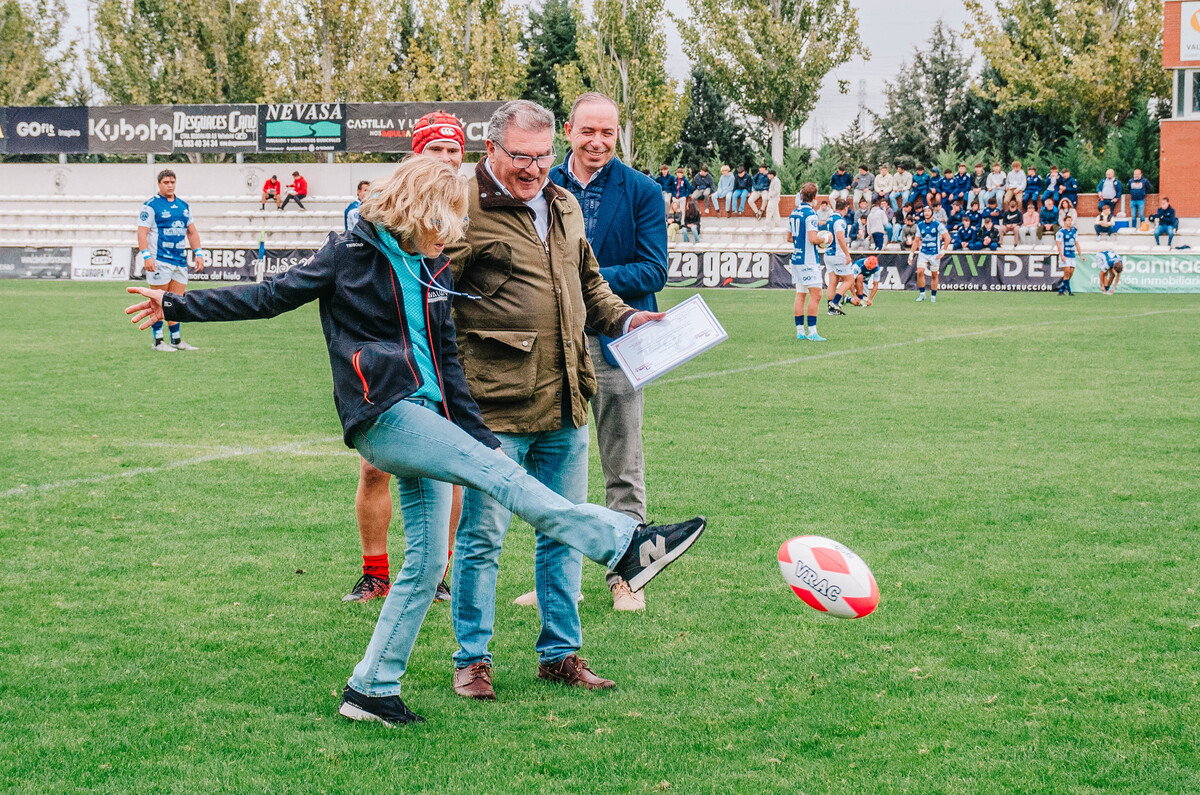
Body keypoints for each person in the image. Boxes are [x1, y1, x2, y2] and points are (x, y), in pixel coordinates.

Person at [125, 155, 707, 727]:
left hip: (431, 417)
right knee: (504, 479)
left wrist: (476, 434)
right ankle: (624, 543)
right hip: (384, 415)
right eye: (445, 222)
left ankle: (371, 689)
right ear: (417, 211)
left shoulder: (432, 267)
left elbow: (448, 362)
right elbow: (269, 297)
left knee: (428, 562)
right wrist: (176, 304)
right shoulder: (349, 252)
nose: (451, 235)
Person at [446, 99, 678, 698]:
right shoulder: (460, 205)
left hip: (567, 397)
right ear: (491, 150)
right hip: (494, 404)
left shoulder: (563, 201)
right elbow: (432, 298)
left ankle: (561, 654)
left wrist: (625, 322)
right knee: (481, 537)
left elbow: (590, 284)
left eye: (543, 156)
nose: (533, 168)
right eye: (521, 157)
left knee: (564, 531)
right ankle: (472, 659)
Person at [549, 93, 670, 613]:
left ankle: (629, 575)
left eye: (608, 133)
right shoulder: (543, 182)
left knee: (622, 460)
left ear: (617, 135)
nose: (597, 142)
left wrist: (582, 279)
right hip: (559, 339)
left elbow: (654, 269)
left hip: (621, 340)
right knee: (558, 465)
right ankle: (559, 579)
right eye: (587, 132)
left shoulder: (642, 190)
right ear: (569, 131)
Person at [344, 110, 469, 605]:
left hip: (449, 354)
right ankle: (375, 572)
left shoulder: (468, 208)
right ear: (415, 154)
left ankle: (440, 570)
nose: (445, 158)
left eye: (452, 151)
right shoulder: (383, 211)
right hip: (391, 361)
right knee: (374, 468)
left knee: (452, 462)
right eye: (434, 150)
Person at [136, 169, 206, 352]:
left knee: (176, 302)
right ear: (159, 184)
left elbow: (192, 231)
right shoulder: (150, 206)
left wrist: (198, 253)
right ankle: (158, 341)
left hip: (179, 261)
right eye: (166, 182)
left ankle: (176, 340)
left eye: (172, 182)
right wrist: (146, 256)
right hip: (160, 261)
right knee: (157, 301)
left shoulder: (183, 206)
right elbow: (142, 233)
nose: (170, 185)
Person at [788, 183, 826, 341]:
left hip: (796, 258)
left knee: (800, 294)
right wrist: (825, 239)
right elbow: (812, 238)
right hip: (808, 261)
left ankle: (800, 331)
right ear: (815, 196)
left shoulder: (794, 212)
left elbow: (789, 238)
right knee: (816, 294)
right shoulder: (811, 214)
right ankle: (812, 332)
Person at [823, 197, 855, 316]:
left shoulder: (829, 218)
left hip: (828, 254)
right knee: (849, 279)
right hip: (838, 254)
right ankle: (835, 302)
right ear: (846, 208)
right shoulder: (839, 220)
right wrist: (847, 254)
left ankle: (831, 309)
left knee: (833, 282)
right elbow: (840, 237)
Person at [911, 204, 950, 304]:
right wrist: (911, 254)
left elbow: (947, 238)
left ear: (932, 213)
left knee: (934, 275)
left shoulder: (937, 224)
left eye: (928, 211)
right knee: (919, 272)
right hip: (923, 252)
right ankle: (922, 294)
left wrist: (943, 251)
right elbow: (916, 241)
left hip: (935, 253)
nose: (926, 213)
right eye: (925, 211)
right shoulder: (920, 225)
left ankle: (933, 295)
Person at [1055, 212, 1080, 296]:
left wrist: (1080, 255)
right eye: (1068, 220)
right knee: (1067, 272)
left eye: (1071, 220)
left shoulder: (1074, 231)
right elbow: (1058, 244)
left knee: (1071, 273)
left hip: (1072, 255)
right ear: (1064, 221)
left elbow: (1077, 243)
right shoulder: (1060, 232)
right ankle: (1069, 292)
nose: (1070, 222)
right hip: (1065, 255)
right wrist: (1061, 255)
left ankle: (1061, 290)